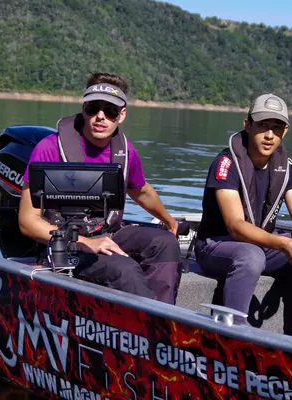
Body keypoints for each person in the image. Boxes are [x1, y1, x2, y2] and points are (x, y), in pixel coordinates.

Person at [19, 72, 182, 305]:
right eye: (93, 108)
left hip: (107, 233)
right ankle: (148, 327)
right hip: (63, 244)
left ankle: (166, 318)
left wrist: (169, 221)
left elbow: (141, 191)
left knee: (165, 243)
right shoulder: (48, 149)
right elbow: (27, 221)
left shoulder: (126, 152)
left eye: (110, 110)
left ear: (122, 115)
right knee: (124, 270)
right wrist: (85, 243)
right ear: (84, 108)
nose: (100, 117)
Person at [195, 93, 292, 334]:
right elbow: (236, 225)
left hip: (263, 246)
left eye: (277, 128)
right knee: (250, 256)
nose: (270, 135)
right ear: (247, 125)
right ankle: (232, 337)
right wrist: (283, 244)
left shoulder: (288, 168)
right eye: (263, 126)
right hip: (215, 246)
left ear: (285, 131)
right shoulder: (226, 164)